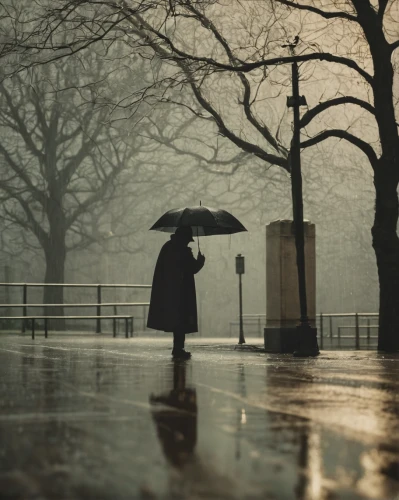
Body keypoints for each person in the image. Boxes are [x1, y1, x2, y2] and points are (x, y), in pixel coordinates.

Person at [147, 226, 205, 359]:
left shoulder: (168, 247)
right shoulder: (182, 250)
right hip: (182, 291)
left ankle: (177, 347)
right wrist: (200, 261)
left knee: (176, 321)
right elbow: (192, 268)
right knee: (181, 321)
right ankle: (178, 348)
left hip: (170, 290)